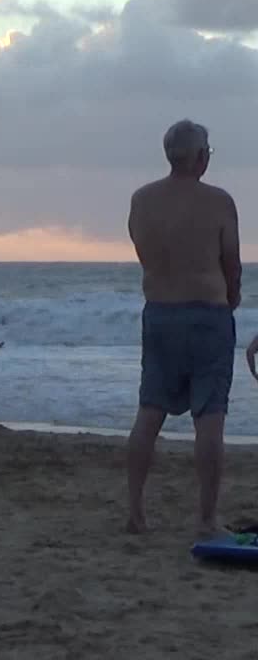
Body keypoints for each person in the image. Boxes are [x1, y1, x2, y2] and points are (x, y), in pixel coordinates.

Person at [126, 119, 240, 537]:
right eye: (207, 151)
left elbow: (145, 253)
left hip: (159, 312)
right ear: (198, 158)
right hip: (206, 314)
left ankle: (135, 511)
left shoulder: (142, 200)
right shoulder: (218, 202)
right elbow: (231, 262)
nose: (208, 157)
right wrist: (232, 299)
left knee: (149, 411)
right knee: (210, 416)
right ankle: (207, 518)